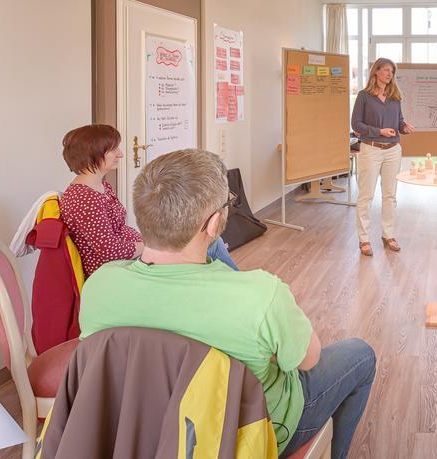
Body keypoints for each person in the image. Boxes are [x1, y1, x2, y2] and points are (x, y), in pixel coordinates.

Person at [79, 149, 377, 458]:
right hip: (251, 433)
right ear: (213, 224)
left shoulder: (99, 286)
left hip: (143, 430)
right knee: (361, 355)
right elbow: (307, 361)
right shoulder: (261, 295)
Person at [59, 124, 238, 275]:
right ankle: (237, 287)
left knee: (210, 243)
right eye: (113, 149)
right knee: (212, 244)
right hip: (117, 267)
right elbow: (109, 251)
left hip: (134, 254)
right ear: (94, 153)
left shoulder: (100, 187)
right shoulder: (84, 199)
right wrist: (151, 247)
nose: (120, 154)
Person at [351, 58, 414, 257]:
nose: (389, 74)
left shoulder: (395, 97)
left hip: (393, 150)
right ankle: (364, 239)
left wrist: (404, 127)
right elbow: (356, 125)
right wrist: (379, 131)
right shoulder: (364, 96)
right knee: (366, 196)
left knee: (390, 196)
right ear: (376, 72)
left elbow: (399, 121)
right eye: (386, 70)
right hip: (371, 150)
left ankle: (388, 235)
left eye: (392, 71)